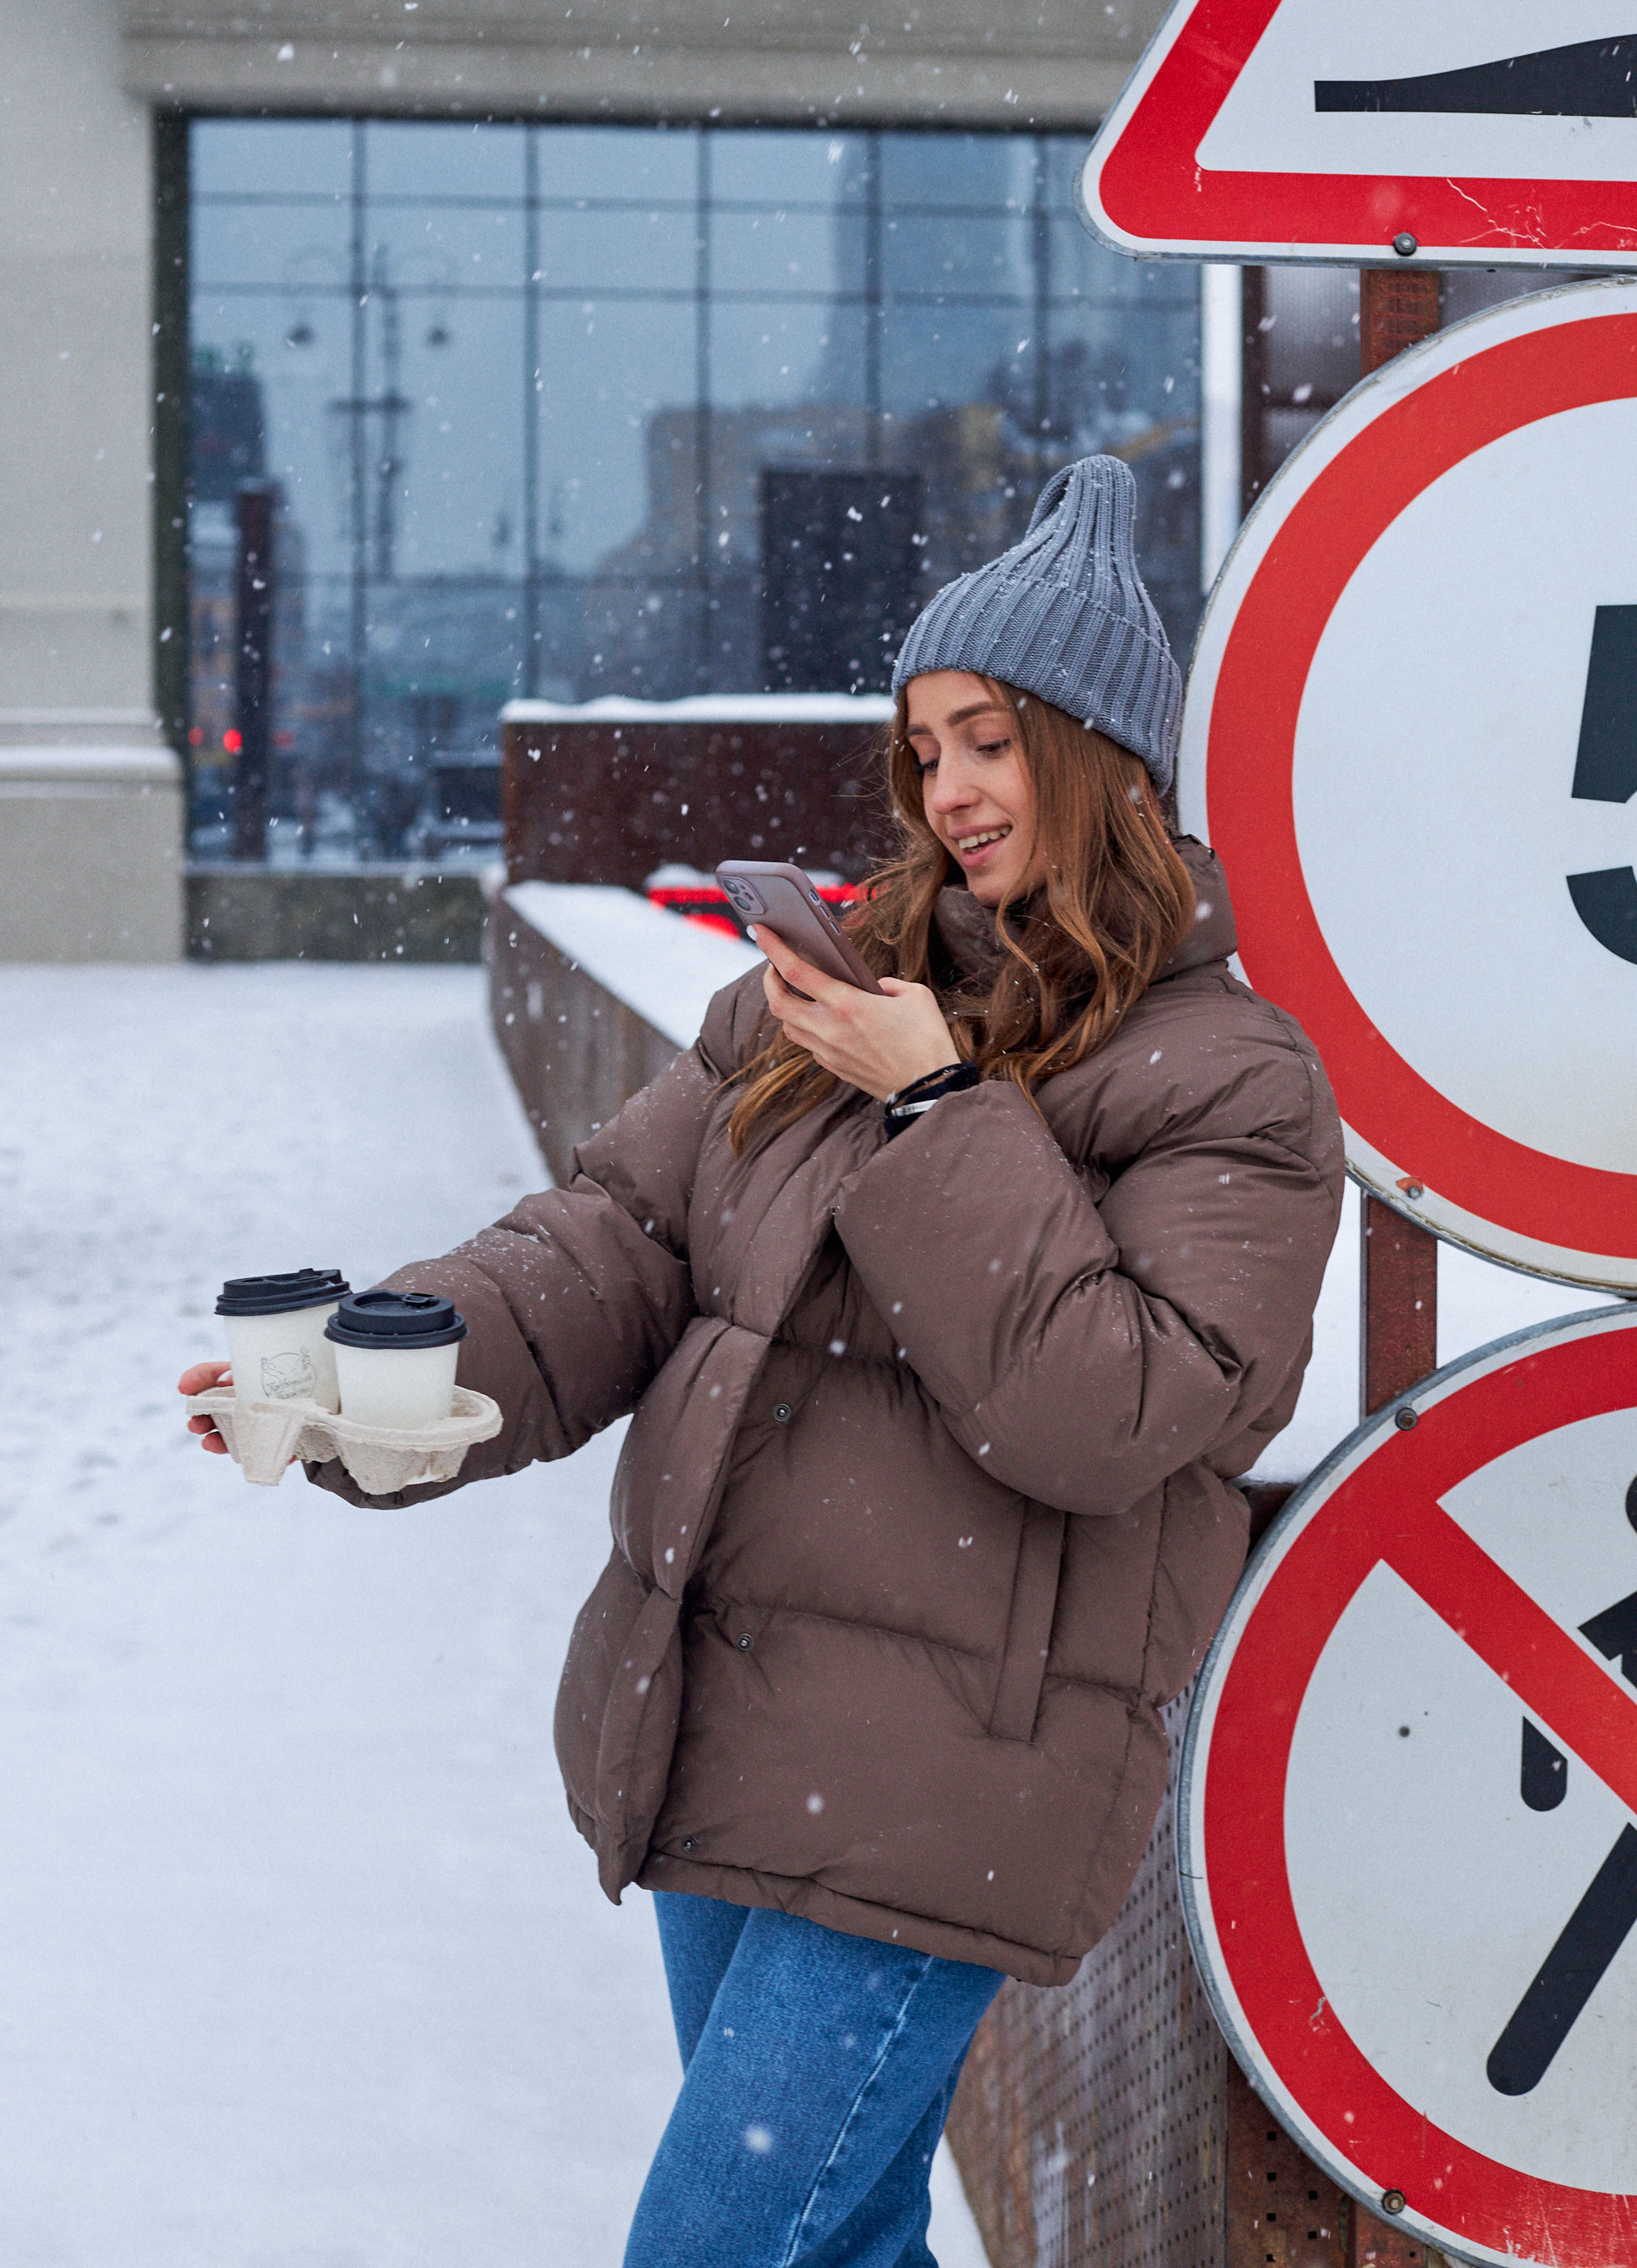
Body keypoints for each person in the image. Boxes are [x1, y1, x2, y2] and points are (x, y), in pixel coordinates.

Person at [182, 455, 1344, 2268]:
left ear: (1103, 761)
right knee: (842, 2236)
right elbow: (616, 1241)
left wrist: (941, 1105)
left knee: (721, 2245)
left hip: (954, 1770)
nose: (946, 791)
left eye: (989, 741)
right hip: (728, 1710)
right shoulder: (817, 987)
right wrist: (382, 1367)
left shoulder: (1229, 1081)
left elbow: (1116, 1411)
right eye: (923, 748)